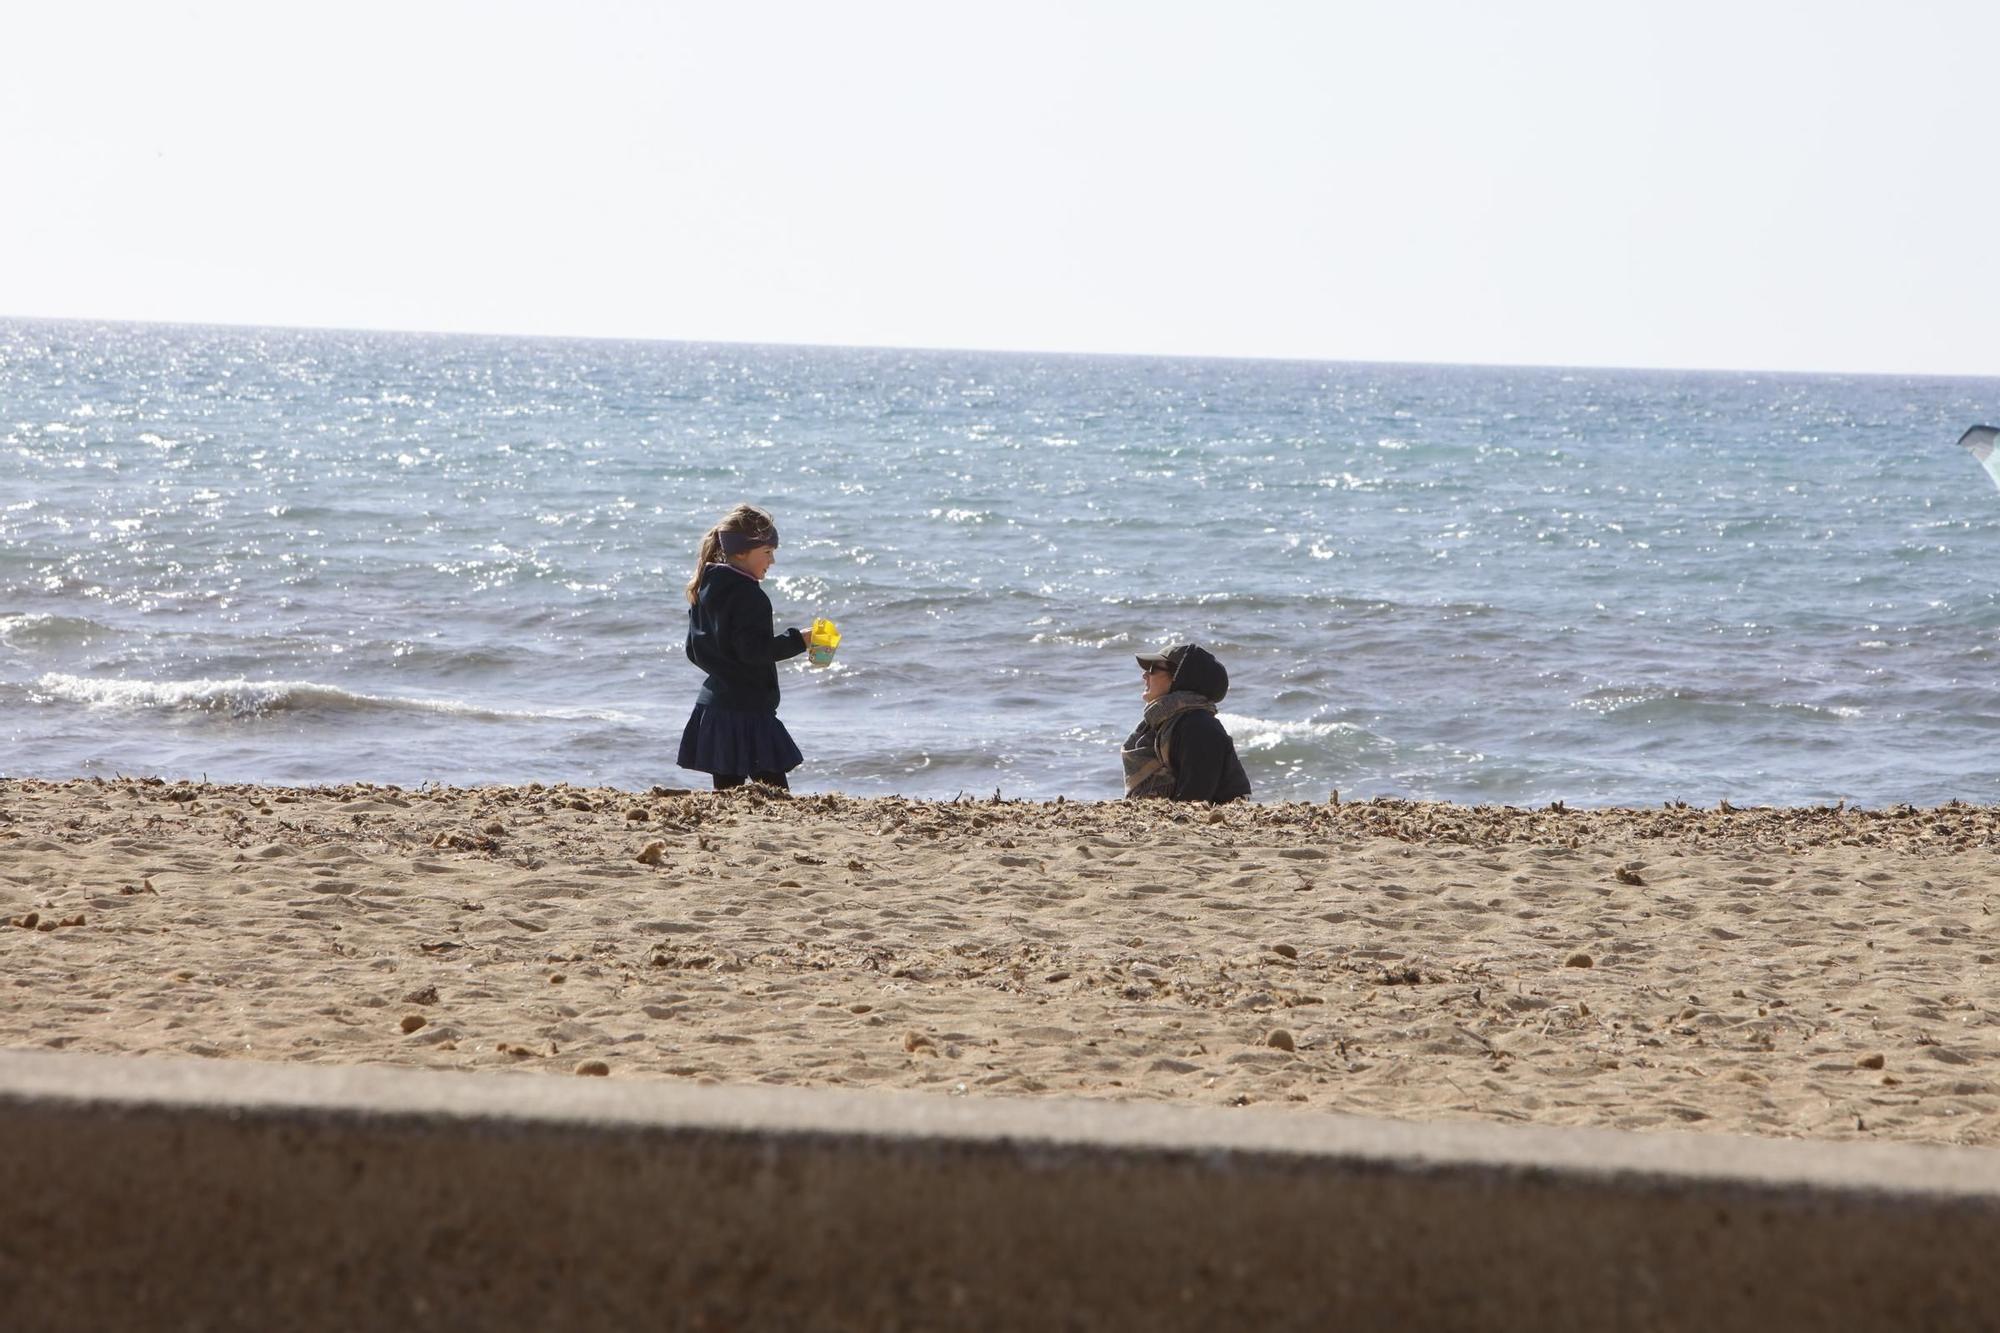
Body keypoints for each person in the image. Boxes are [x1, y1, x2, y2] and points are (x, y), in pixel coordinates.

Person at [677, 504, 810, 791]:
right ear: (741, 552)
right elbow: (754, 651)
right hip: (748, 711)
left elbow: (693, 649)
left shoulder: (704, 586)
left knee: (727, 797)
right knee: (776, 796)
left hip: (714, 708)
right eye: (767, 552)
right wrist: (801, 640)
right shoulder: (749, 596)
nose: (772, 560)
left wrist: (724, 670)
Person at [1122, 643, 1251, 804]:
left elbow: (1195, 799)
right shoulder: (1167, 723)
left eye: (1153, 669)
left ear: (1179, 677)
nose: (1145, 675)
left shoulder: (1198, 726)